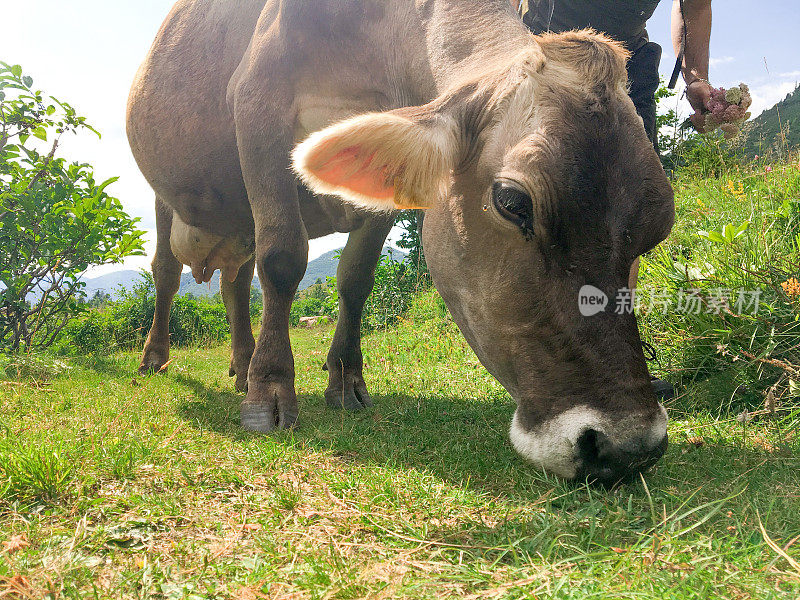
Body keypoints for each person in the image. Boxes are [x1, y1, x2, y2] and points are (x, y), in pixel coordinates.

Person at [512, 0, 714, 151]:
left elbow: (695, 7)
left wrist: (697, 79)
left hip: (628, 65)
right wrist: (502, 56)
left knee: (637, 186)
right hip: (543, 54)